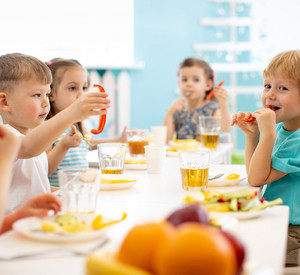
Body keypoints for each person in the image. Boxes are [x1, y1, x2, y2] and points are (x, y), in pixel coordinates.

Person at [0, 53, 110, 213]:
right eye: (37, 95)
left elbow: (36, 186)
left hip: (37, 222)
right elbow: (27, 148)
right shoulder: (5, 137)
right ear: (5, 102)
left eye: (46, 94)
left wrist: (68, 191)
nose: (46, 102)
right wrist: (72, 113)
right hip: (13, 230)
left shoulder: (31, 137)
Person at [231, 50, 300, 266]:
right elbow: (254, 172)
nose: (270, 95)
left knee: (244, 253)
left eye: (282, 88)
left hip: (294, 233)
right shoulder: (281, 128)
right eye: (267, 85)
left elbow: (257, 179)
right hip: (278, 219)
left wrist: (267, 134)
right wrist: (253, 137)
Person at [46, 58, 126, 187]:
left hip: (82, 193)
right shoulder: (47, 128)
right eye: (72, 88)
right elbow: (43, 170)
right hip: (61, 197)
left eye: (84, 88)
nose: (81, 95)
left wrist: (119, 139)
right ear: (50, 93)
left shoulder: (76, 124)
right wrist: (64, 146)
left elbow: (90, 143)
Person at [0, 125, 61, 234]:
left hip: (27, 225)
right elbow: (27, 148)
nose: (46, 106)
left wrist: (16, 217)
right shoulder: (10, 138)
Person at [163, 57, 231, 141]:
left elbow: (225, 128)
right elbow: (165, 140)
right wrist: (169, 113)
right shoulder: (178, 111)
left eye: (196, 80)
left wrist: (223, 103)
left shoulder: (212, 109)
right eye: (184, 79)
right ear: (179, 83)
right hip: (183, 153)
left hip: (207, 153)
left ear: (208, 85)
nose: (189, 84)